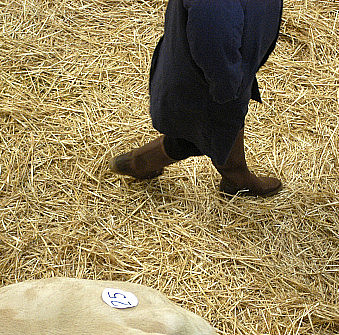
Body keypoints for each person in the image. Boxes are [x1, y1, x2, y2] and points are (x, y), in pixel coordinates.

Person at [110, 0, 283, 197]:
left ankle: (235, 175)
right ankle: (141, 162)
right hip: (212, 77)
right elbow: (213, 38)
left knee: (214, 127)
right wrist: (229, 88)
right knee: (207, 130)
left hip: (229, 62)